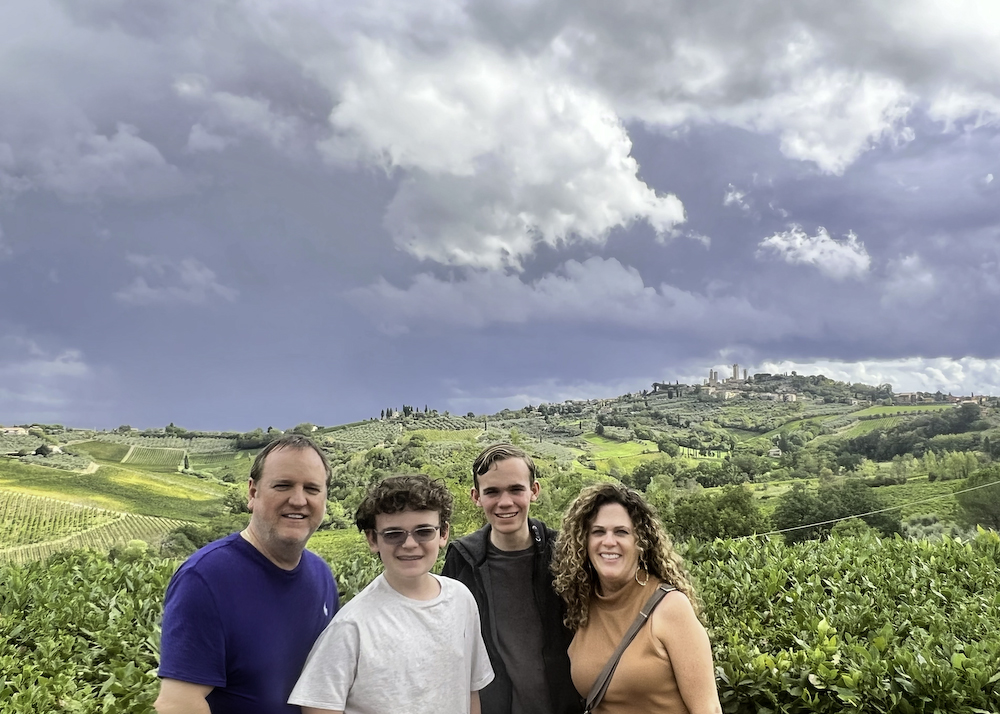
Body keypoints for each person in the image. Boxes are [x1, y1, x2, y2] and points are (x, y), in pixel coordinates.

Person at [155, 434, 339, 714]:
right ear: (253, 493)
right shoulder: (205, 578)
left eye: (312, 489)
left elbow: (322, 687)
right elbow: (177, 704)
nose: (298, 500)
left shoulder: (321, 576)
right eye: (283, 485)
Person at [288, 474, 494, 714]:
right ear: (372, 539)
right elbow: (318, 705)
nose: (410, 544)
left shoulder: (461, 599)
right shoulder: (352, 626)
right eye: (394, 534)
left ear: (443, 533)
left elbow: (470, 689)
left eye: (424, 531)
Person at [552, 483, 722, 714]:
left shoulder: (670, 607)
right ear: (583, 542)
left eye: (621, 532)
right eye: (598, 532)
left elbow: (708, 709)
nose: (608, 541)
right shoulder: (581, 606)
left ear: (640, 542)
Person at [442, 444, 582, 714]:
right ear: (476, 497)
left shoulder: (564, 553)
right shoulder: (463, 561)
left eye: (516, 489)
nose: (505, 502)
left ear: (534, 491)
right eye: (492, 492)